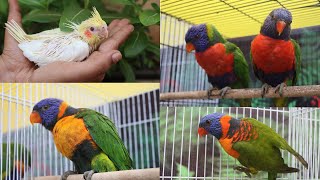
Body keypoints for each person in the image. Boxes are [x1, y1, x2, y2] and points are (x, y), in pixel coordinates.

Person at [0, 0, 134, 82]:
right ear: (85, 30)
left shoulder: (75, 38)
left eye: (103, 29)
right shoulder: (80, 47)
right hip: (33, 51)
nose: (103, 33)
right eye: (94, 29)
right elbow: (45, 59)